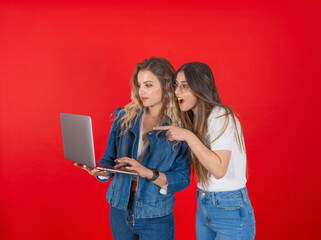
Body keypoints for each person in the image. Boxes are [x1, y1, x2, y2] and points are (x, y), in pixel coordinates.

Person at [75, 57, 191, 240]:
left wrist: (148, 173)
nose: (141, 91)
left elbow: (183, 179)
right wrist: (101, 171)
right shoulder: (123, 117)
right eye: (139, 85)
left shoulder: (180, 128)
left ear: (166, 86)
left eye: (148, 85)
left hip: (156, 216)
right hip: (119, 210)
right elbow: (109, 158)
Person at [154, 62, 256, 240]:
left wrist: (187, 136)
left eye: (185, 86)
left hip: (229, 208)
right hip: (204, 204)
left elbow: (218, 170)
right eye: (176, 85)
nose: (177, 92)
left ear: (200, 87)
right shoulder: (196, 120)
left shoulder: (222, 116)